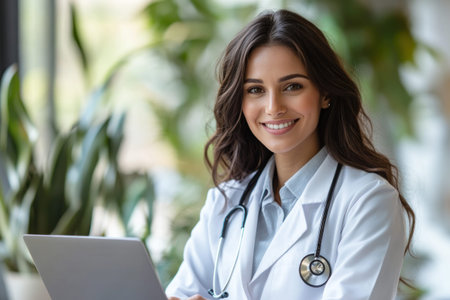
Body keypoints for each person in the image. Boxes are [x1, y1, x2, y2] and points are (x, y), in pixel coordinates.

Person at [166, 9, 415, 300]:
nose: (273, 107)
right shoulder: (226, 202)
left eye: (292, 86)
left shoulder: (368, 201)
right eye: (256, 90)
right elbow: (179, 294)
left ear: (325, 94)